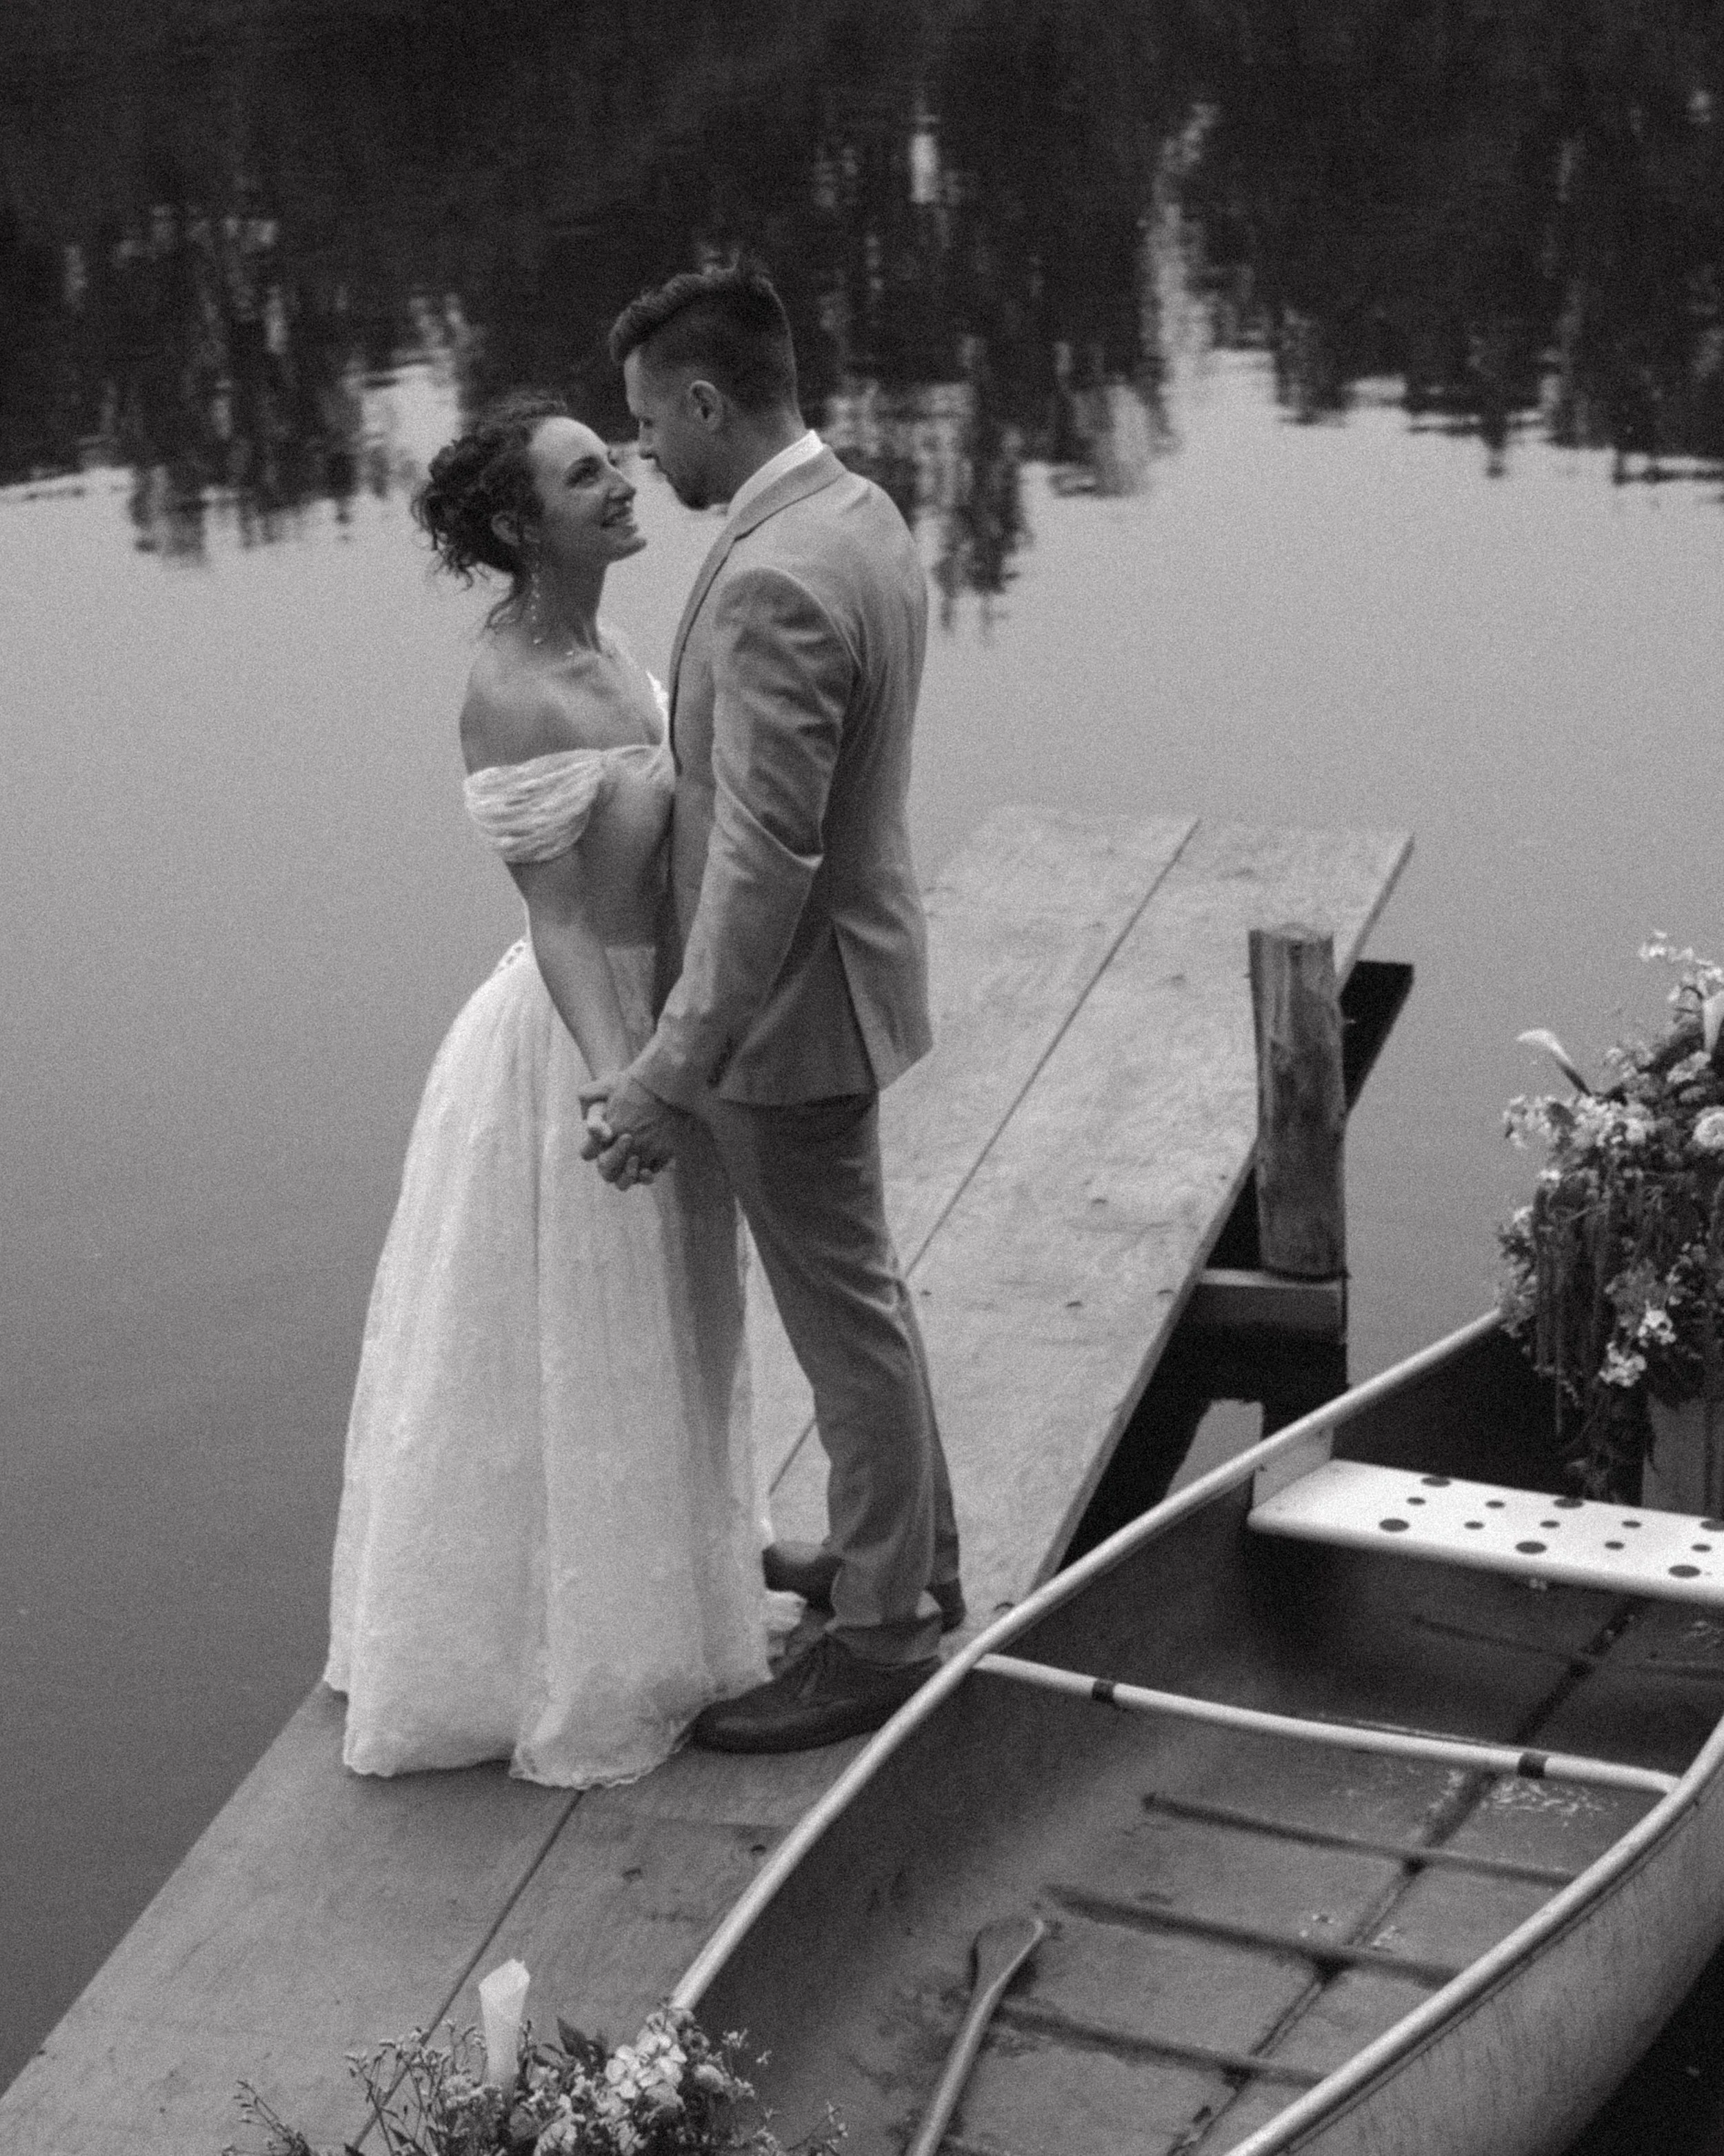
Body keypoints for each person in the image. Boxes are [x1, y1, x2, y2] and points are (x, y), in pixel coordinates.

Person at [323, 389, 784, 1785]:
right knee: (579, 1342)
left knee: (672, 1327)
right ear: (522, 524)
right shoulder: (509, 689)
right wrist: (619, 1085)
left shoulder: (617, 649)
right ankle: (559, 1652)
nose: (623, 481)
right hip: (580, 1045)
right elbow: (565, 920)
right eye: (586, 474)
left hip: (667, 1029)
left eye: (618, 457)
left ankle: (687, 1609)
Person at [581, 261, 963, 1753]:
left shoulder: (771, 578)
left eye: (647, 427)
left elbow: (760, 857)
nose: (645, 459)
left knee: (846, 1322)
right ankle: (908, 1570)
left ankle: (879, 1638)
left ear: (704, 399)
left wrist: (672, 1066)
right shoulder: (853, 515)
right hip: (840, 988)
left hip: (785, 1021)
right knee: (863, 1301)